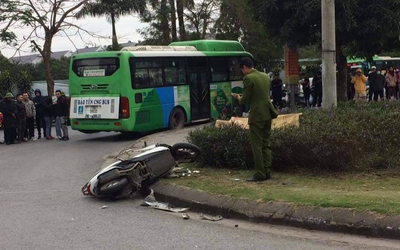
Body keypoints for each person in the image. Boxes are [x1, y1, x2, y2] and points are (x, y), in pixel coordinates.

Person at [232, 57, 278, 182]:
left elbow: (246, 99)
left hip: (257, 115)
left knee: (256, 145)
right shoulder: (265, 76)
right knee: (266, 143)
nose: (243, 73)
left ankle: (260, 173)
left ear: (245, 68)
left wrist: (238, 97)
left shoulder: (248, 78)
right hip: (268, 113)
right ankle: (267, 171)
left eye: (242, 70)